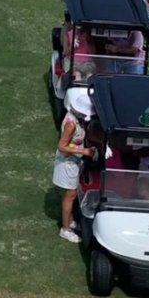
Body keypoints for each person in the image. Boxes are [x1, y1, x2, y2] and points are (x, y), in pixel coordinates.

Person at [52, 91, 95, 243]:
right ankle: (65, 229)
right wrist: (84, 151)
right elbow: (61, 146)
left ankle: (69, 221)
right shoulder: (71, 124)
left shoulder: (76, 120)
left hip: (73, 161)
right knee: (70, 195)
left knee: (72, 194)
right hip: (67, 163)